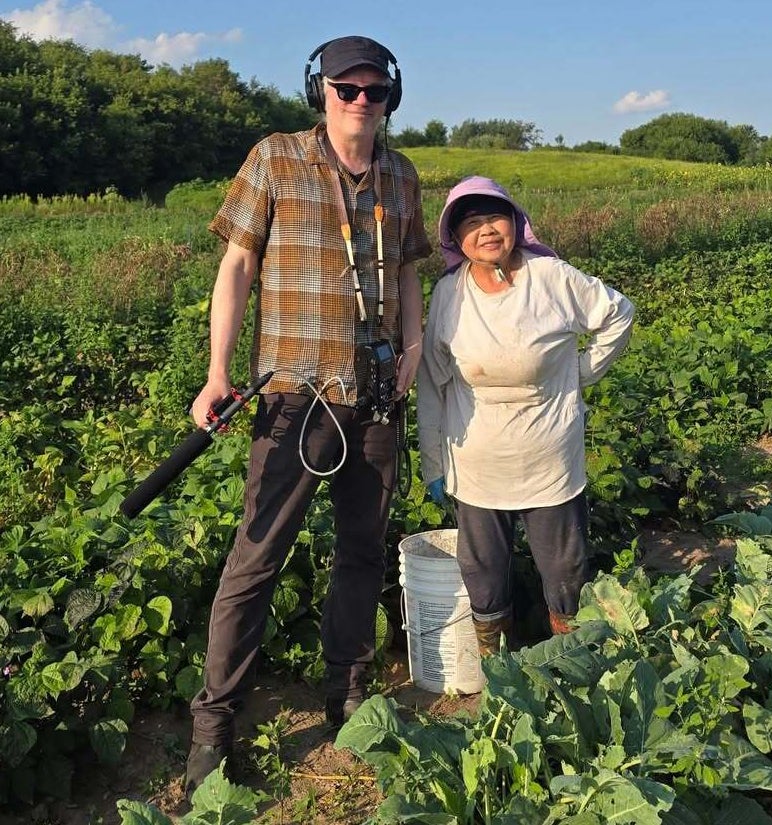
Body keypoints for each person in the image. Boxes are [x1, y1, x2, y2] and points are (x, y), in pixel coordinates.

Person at [184, 35, 432, 796]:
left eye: (373, 91)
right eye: (344, 89)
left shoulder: (401, 173)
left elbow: (410, 272)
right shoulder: (275, 157)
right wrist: (217, 372)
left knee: (361, 552)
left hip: (377, 397)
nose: (359, 102)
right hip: (294, 395)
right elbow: (236, 267)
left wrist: (415, 344)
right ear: (318, 91)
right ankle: (215, 729)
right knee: (255, 561)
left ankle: (345, 695)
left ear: (391, 97)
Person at [416, 176, 634, 657]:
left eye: (494, 216)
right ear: (456, 239)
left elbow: (618, 313)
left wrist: (581, 371)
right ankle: (500, 671)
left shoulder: (552, 278)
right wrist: (433, 462)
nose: (486, 230)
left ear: (515, 222)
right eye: (470, 223)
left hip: (547, 457)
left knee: (565, 570)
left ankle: (573, 666)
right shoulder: (449, 294)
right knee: (484, 572)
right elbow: (433, 382)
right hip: (475, 461)